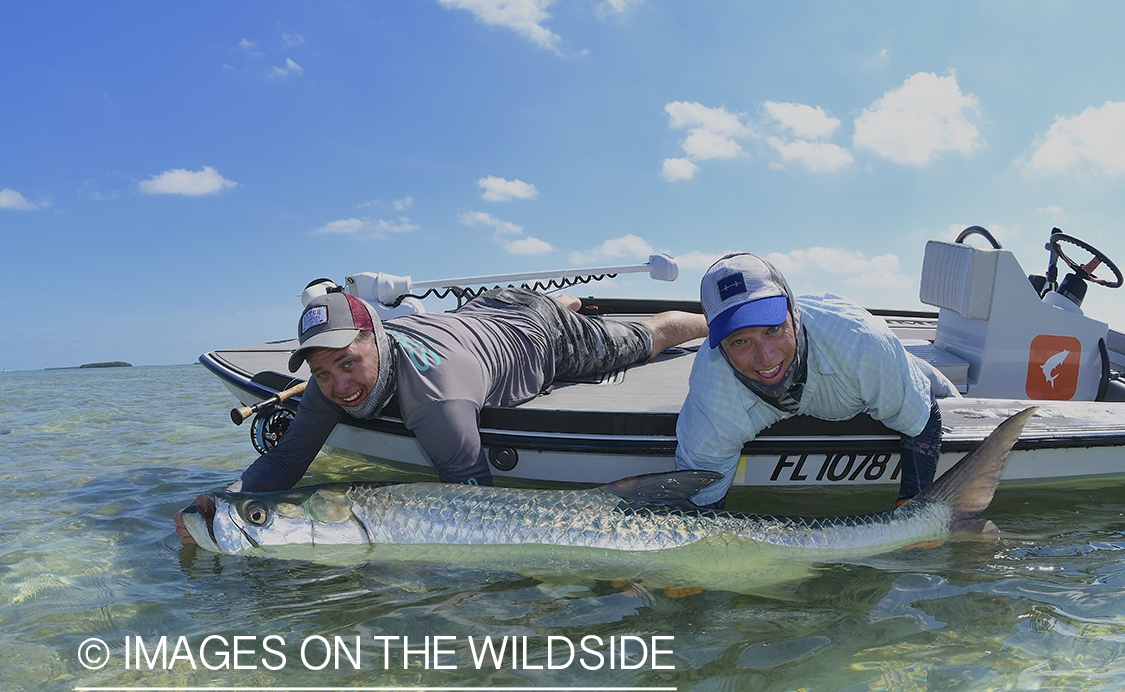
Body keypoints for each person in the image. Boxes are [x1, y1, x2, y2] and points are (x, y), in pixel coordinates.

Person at [227, 286, 708, 493]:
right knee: (535, 306)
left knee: (646, 338)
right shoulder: (329, 382)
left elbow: (474, 501)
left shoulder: (439, 402)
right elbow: (285, 461)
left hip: (540, 334)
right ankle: (565, 301)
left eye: (348, 362)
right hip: (484, 310)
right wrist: (219, 504)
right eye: (324, 372)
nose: (339, 385)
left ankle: (719, 321)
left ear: (378, 337)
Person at [675, 253, 958, 508]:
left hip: (898, 372)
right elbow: (700, 511)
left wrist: (913, 512)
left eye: (773, 329)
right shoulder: (711, 388)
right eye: (740, 341)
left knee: (945, 398)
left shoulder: (861, 342)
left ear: (794, 312)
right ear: (720, 347)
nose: (765, 357)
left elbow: (921, 419)